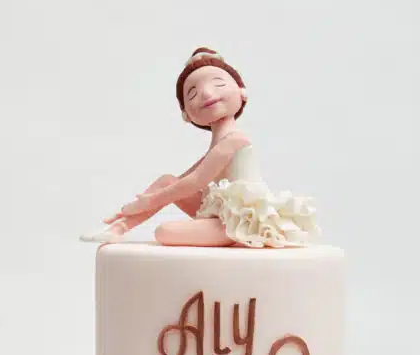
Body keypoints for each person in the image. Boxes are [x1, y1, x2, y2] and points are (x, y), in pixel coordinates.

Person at [81, 47, 317, 249]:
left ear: (241, 91)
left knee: (164, 231)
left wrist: (146, 202)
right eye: (192, 94)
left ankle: (234, 240)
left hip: (241, 221)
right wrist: (137, 206)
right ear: (186, 114)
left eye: (219, 84)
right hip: (220, 211)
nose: (206, 93)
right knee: (166, 180)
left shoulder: (235, 140)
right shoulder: (219, 142)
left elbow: (194, 182)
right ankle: (118, 229)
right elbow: (180, 181)